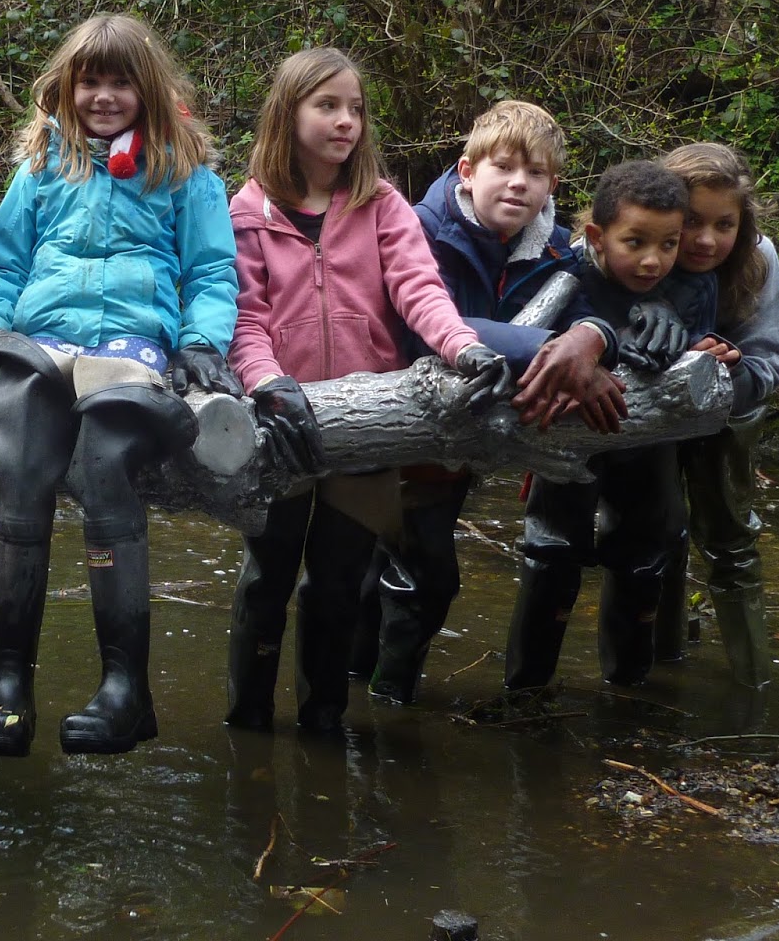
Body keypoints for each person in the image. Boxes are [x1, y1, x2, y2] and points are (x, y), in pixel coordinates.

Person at [0, 13, 239, 756]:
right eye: (90, 81)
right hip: (42, 338)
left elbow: (210, 270)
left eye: (120, 82)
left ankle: (125, 689)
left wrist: (204, 339)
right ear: (67, 87)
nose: (104, 96)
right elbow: (8, 262)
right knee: (20, 453)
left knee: (104, 457)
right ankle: (8, 685)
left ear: (149, 89)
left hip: (132, 341)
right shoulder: (43, 165)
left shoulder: (187, 172)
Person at [224, 47, 515, 733]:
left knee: (336, 582)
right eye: (327, 106)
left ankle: (325, 721)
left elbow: (420, 291)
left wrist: (465, 348)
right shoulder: (246, 209)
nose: (345, 121)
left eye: (355, 108)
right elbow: (244, 320)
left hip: (372, 419)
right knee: (267, 579)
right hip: (281, 422)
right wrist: (268, 384)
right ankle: (248, 726)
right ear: (287, 113)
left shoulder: (382, 204)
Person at [358, 100, 626, 705]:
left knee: (391, 569)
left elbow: (591, 311)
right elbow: (428, 325)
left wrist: (593, 339)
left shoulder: (557, 250)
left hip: (468, 434)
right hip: (406, 421)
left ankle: (363, 689)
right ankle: (383, 699)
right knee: (424, 577)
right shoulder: (420, 231)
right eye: (503, 167)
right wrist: (547, 347)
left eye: (534, 174)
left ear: (553, 185)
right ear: (466, 171)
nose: (518, 183)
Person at [504, 159, 720, 690]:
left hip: (648, 446)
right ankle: (525, 690)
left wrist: (684, 329)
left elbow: (702, 347)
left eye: (668, 244)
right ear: (597, 236)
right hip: (568, 439)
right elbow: (526, 329)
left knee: (647, 551)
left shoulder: (694, 286)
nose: (653, 261)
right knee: (552, 553)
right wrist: (611, 333)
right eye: (635, 243)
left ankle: (629, 689)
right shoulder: (563, 272)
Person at [654, 143, 779, 687]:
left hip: (728, 418)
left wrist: (727, 372)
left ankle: (754, 686)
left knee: (731, 542)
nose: (707, 240)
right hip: (647, 417)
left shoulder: (760, 257)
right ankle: (654, 673)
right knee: (652, 539)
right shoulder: (628, 244)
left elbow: (770, 366)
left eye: (724, 224)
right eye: (691, 222)